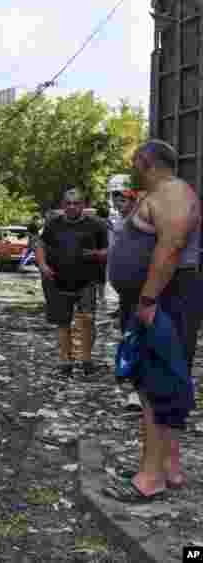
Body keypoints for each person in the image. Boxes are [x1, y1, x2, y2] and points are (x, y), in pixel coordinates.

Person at [105, 139, 200, 502]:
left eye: (134, 162)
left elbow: (172, 245)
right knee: (162, 383)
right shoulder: (162, 193)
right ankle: (168, 468)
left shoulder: (173, 192)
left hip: (164, 297)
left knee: (156, 387)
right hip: (158, 296)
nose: (133, 168)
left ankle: (150, 479)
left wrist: (147, 299)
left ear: (146, 160)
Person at [35, 187, 109, 378]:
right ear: (62, 205)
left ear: (83, 205)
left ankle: (86, 359)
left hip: (88, 281)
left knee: (87, 320)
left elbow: (109, 251)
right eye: (68, 203)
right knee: (63, 323)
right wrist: (42, 265)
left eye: (76, 203)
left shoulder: (97, 225)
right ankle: (65, 362)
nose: (72, 207)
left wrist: (96, 254)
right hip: (59, 281)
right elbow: (41, 244)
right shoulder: (53, 224)